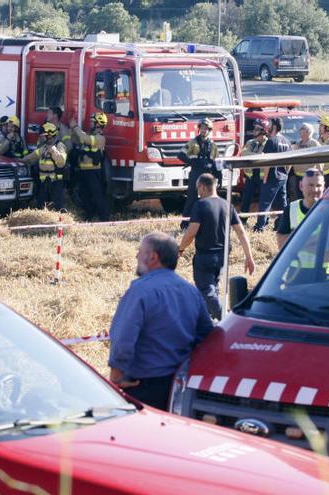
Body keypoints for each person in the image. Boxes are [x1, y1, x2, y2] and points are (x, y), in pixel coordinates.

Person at [108, 232, 214, 410]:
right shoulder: (191, 291)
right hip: (179, 385)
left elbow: (123, 337)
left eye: (140, 251)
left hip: (142, 385)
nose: (136, 256)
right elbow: (207, 335)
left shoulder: (140, 290)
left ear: (153, 257)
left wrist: (117, 375)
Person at [178, 173, 256, 320]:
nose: (198, 192)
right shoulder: (228, 205)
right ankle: (208, 324)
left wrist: (180, 248)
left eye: (197, 189)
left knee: (207, 292)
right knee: (213, 290)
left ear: (202, 186)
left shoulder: (200, 205)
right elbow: (241, 232)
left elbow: (190, 233)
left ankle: (227, 321)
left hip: (205, 257)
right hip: (223, 257)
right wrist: (249, 257)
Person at [179, 118, 219, 229]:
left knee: (207, 199)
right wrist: (192, 162)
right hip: (196, 173)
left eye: (206, 128)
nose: (204, 130)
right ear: (199, 129)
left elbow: (216, 161)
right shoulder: (193, 142)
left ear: (209, 130)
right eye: (202, 128)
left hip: (208, 175)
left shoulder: (213, 145)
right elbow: (180, 155)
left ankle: (205, 224)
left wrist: (218, 176)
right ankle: (185, 224)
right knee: (191, 199)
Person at [70, 112, 109, 221]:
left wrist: (75, 126)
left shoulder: (100, 138)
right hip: (84, 171)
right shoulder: (90, 134)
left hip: (94, 172)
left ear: (98, 124)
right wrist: (72, 130)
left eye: (93, 121)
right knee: (84, 195)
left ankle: (104, 219)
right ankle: (89, 216)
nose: (91, 123)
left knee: (98, 196)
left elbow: (84, 139)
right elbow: (78, 139)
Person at [254, 118, 290, 232]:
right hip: (283, 178)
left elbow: (268, 162)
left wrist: (265, 178)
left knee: (265, 203)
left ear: (274, 126)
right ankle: (282, 225)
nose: (267, 126)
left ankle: (260, 227)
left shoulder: (271, 141)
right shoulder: (286, 141)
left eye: (269, 124)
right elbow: (291, 161)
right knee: (282, 203)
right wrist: (286, 174)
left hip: (272, 178)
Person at [23, 122, 68, 210]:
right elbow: (31, 157)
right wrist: (20, 160)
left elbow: (62, 161)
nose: (41, 137)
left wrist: (53, 150)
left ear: (50, 135)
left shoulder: (60, 146)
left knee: (58, 207)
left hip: (56, 182)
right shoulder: (43, 148)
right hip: (44, 183)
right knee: (40, 206)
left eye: (43, 135)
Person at [275, 168, 325, 249]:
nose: (315, 190)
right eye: (311, 185)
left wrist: (296, 238)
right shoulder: (291, 209)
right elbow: (281, 243)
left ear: (324, 187)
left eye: (319, 185)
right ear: (301, 186)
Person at [239, 120, 269, 223]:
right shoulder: (250, 142)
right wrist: (257, 156)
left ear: (264, 131)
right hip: (251, 177)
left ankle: (264, 221)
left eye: (257, 129)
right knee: (246, 199)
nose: (254, 131)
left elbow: (264, 157)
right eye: (254, 128)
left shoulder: (269, 143)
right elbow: (243, 154)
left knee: (264, 201)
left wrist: (252, 155)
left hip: (263, 178)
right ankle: (242, 220)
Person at [289, 123, 320, 201]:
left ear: (308, 132)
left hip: (309, 177)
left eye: (302, 129)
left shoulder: (315, 144)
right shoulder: (298, 144)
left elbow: (320, 161)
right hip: (297, 176)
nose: (300, 131)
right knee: (299, 197)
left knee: (309, 197)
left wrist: (320, 175)